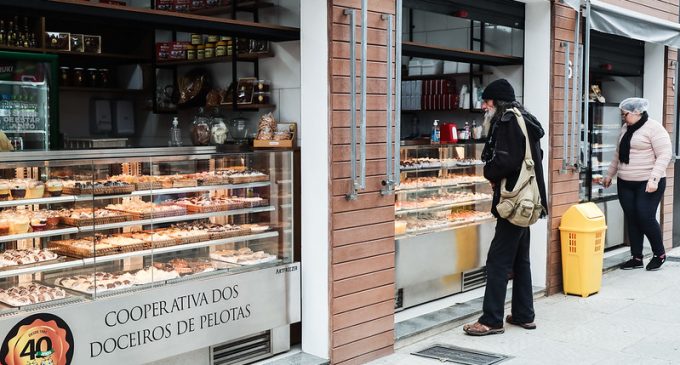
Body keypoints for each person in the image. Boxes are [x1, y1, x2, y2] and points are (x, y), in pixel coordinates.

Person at [463, 79, 547, 336]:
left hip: (513, 202)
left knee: (498, 260)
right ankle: (524, 314)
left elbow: (506, 161)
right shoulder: (525, 118)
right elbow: (536, 156)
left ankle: (491, 320)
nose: (485, 106)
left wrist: (489, 170)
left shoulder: (508, 121)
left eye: (487, 101)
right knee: (520, 259)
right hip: (527, 201)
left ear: (496, 101)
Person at [603, 98, 672, 271]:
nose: (623, 118)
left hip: (648, 182)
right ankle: (636, 257)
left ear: (636, 112)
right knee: (632, 218)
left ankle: (660, 254)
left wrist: (654, 179)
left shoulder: (654, 128)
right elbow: (618, 154)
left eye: (625, 114)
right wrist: (609, 174)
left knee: (645, 216)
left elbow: (665, 154)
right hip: (626, 182)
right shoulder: (625, 129)